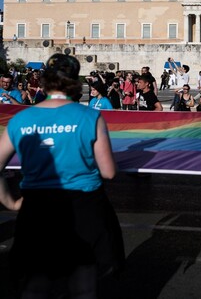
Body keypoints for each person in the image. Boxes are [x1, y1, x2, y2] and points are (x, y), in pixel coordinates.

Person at [0, 53, 124, 298]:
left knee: (35, 284)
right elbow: (108, 172)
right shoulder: (89, 116)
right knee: (83, 288)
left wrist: (10, 201)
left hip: (37, 205)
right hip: (84, 206)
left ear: (45, 81)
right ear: (75, 83)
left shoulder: (22, 118)